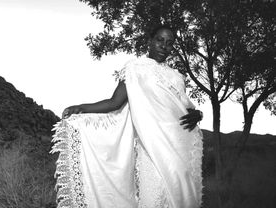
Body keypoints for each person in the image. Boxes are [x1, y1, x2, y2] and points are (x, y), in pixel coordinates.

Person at [51, 25, 203, 208]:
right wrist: (81, 107)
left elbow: (182, 108)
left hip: (181, 147)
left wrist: (198, 113)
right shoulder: (134, 69)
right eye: (160, 40)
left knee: (182, 199)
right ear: (150, 41)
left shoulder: (177, 77)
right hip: (152, 148)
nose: (164, 46)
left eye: (169, 43)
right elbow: (115, 103)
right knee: (153, 199)